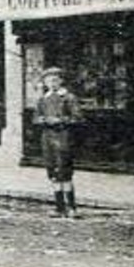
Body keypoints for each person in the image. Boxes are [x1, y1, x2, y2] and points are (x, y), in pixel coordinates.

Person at [35, 67, 82, 219]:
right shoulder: (43, 99)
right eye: (48, 80)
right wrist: (41, 120)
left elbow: (78, 117)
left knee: (65, 171)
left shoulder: (68, 98)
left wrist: (61, 120)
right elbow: (36, 117)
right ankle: (59, 207)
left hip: (63, 137)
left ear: (61, 81)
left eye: (55, 80)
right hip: (47, 137)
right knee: (52, 170)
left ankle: (72, 207)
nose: (52, 83)